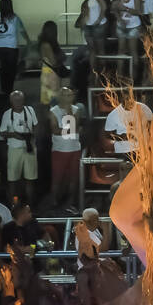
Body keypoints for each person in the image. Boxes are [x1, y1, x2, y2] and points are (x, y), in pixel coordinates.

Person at [49, 86, 86, 214]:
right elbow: (55, 130)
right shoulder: (53, 111)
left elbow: (75, 126)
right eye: (65, 95)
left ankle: (70, 203)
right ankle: (54, 202)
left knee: (73, 178)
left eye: (70, 95)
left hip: (75, 148)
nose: (68, 97)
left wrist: (69, 110)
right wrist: (70, 129)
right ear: (60, 96)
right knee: (57, 178)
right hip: (59, 150)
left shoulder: (76, 110)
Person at [0, 90, 38, 208]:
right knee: (13, 179)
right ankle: (14, 205)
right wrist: (14, 135)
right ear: (11, 101)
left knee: (30, 179)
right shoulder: (7, 114)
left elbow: (36, 125)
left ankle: (30, 206)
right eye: (16, 100)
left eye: (20, 100)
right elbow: (2, 132)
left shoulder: (30, 110)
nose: (18, 102)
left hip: (29, 147)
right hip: (14, 149)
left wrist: (32, 136)